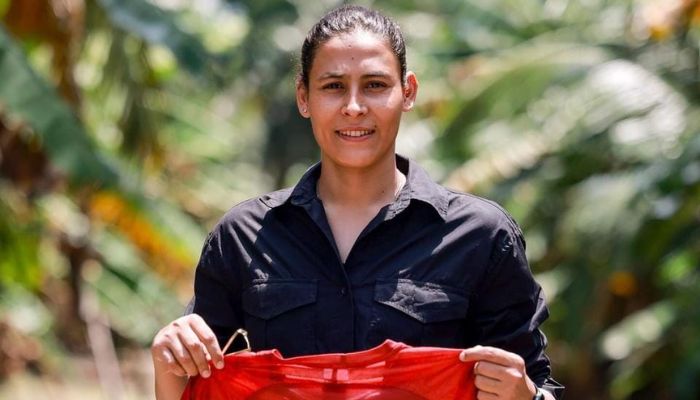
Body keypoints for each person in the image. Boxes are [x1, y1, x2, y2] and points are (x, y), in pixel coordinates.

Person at [151, 5, 564, 400]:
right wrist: (169, 359)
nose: (353, 107)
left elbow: (537, 382)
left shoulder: (481, 236)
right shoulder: (242, 237)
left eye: (375, 85)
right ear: (303, 97)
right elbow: (197, 387)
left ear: (408, 92)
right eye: (333, 87)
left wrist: (527, 396)